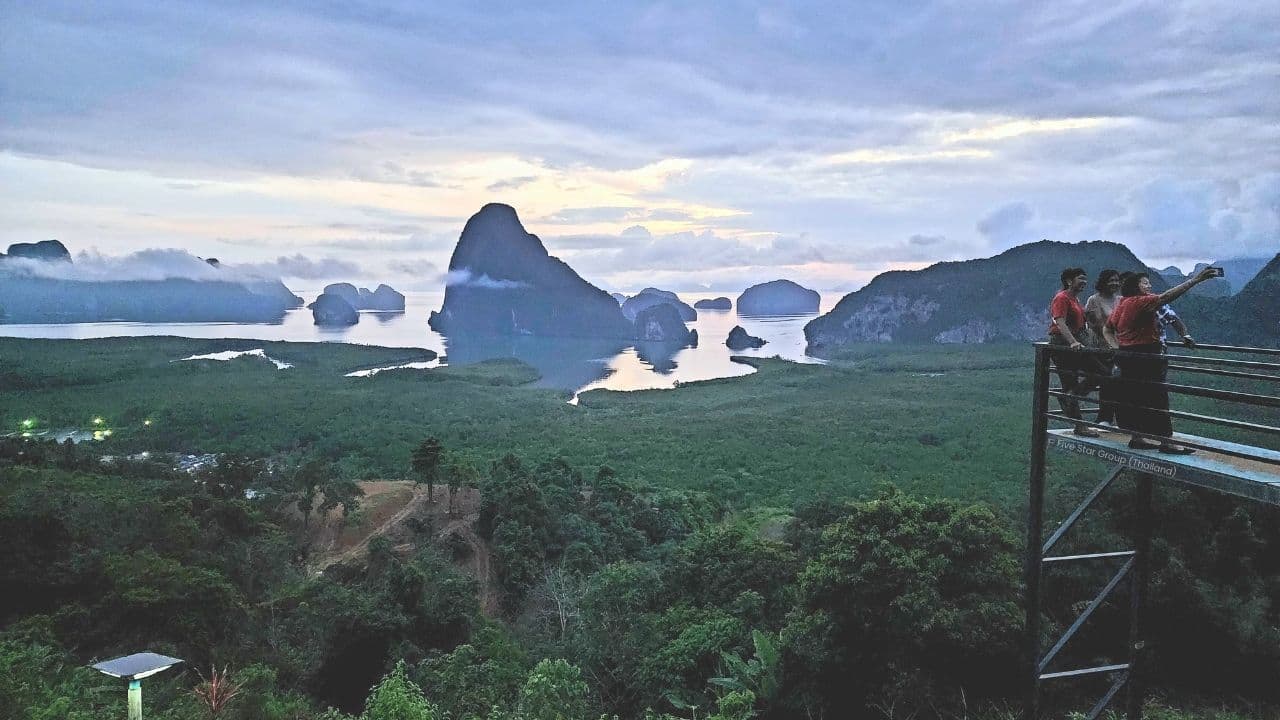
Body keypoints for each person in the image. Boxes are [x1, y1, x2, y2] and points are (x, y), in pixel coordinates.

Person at [1104, 267, 1217, 453]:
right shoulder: (1140, 302)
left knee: (1134, 397)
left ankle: (1137, 437)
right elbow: (1166, 297)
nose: (1149, 286)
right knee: (1157, 397)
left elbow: (1107, 329)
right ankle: (1166, 442)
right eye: (1145, 283)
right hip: (1147, 354)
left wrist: (1117, 347)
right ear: (1136, 287)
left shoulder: (1123, 303)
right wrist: (1195, 280)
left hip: (1127, 356)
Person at [1047, 267, 1098, 436]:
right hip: (1063, 345)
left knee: (1099, 373)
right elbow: (1060, 322)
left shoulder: (1074, 298)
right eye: (1080, 278)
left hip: (1075, 344)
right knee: (1070, 382)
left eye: (1085, 279)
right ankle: (1079, 426)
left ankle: (1070, 397)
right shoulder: (1061, 298)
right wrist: (1073, 342)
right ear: (1069, 281)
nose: (1084, 282)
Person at [1084, 269, 1121, 426]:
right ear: (1103, 282)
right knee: (1107, 381)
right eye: (1111, 280)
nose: (1114, 283)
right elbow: (1097, 325)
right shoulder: (1094, 300)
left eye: (1117, 280)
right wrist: (1111, 342)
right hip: (1101, 347)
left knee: (1118, 383)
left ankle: (1116, 418)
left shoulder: (1120, 300)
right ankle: (1104, 418)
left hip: (1119, 346)